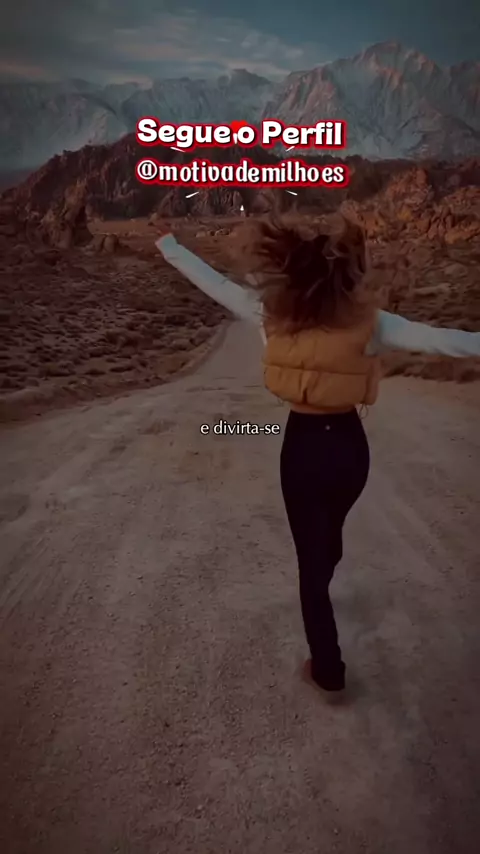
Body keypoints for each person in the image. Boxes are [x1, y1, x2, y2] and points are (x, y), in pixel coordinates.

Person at [156, 216, 480, 700]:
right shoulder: (371, 323)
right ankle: (325, 570)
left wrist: (170, 246)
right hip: (349, 447)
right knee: (327, 539)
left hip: (304, 445)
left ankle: (327, 668)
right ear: (346, 277)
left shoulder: (271, 313)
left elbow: (215, 284)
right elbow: (444, 339)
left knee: (310, 561)